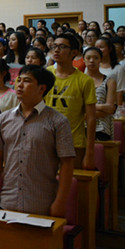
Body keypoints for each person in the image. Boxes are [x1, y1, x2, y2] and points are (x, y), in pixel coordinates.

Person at [0, 65, 75, 216]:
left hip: (41, 203)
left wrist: (60, 202)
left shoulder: (58, 121)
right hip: (8, 201)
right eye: (19, 80)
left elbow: (67, 163)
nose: (20, 85)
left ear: (42, 88)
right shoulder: (4, 118)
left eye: (27, 81)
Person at [45, 33, 96, 170]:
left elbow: (91, 118)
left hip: (74, 142)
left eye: (62, 47)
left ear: (74, 52)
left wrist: (90, 152)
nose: (56, 50)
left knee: (71, 181)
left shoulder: (85, 80)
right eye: (54, 46)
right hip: (46, 140)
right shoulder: (45, 75)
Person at [84, 47, 116, 141]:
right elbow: (75, 109)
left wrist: (86, 107)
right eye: (88, 58)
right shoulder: (77, 80)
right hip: (80, 127)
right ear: (84, 60)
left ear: (100, 60)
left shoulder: (109, 81)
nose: (92, 60)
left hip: (102, 128)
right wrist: (101, 108)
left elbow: (110, 108)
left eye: (96, 58)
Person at [95, 36, 125, 104]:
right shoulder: (91, 67)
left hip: (111, 105)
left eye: (101, 47)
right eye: (96, 47)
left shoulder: (118, 68)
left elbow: (119, 93)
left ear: (110, 49)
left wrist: (118, 108)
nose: (98, 50)